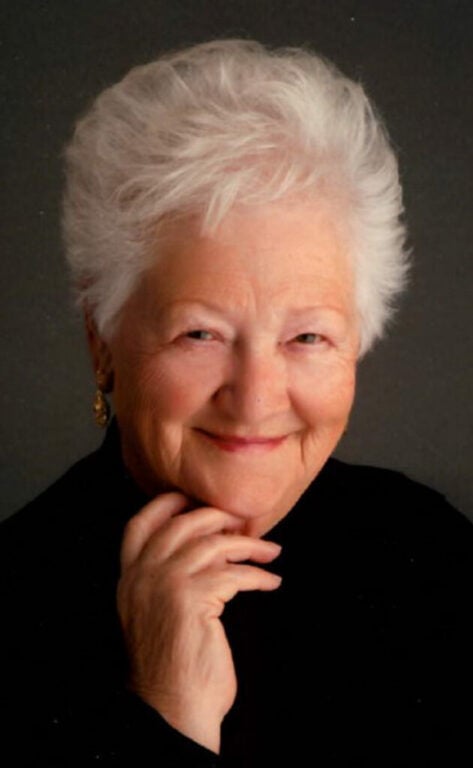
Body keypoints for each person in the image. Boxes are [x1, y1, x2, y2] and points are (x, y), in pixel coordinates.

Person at [1, 39, 472, 766]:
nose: (255, 399)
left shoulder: (431, 553)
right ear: (102, 342)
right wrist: (166, 710)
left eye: (307, 336)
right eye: (201, 333)